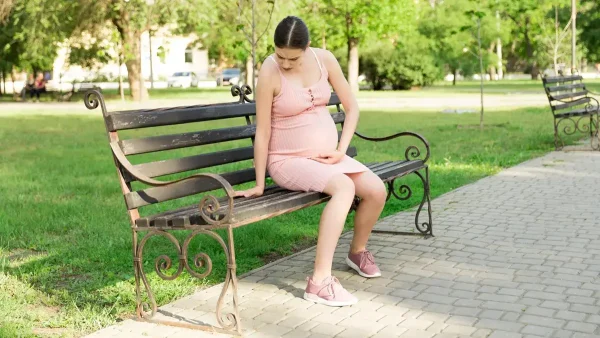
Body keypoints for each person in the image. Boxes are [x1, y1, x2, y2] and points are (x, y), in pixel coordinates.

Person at [234, 16, 387, 307]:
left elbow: (352, 108)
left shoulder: (324, 60)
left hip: (327, 158)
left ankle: (357, 252)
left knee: (377, 190)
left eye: (292, 58)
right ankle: (319, 282)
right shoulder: (269, 70)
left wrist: (341, 150)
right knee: (344, 188)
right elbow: (263, 131)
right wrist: (258, 182)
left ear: (307, 48)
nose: (286, 63)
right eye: (280, 55)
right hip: (287, 161)